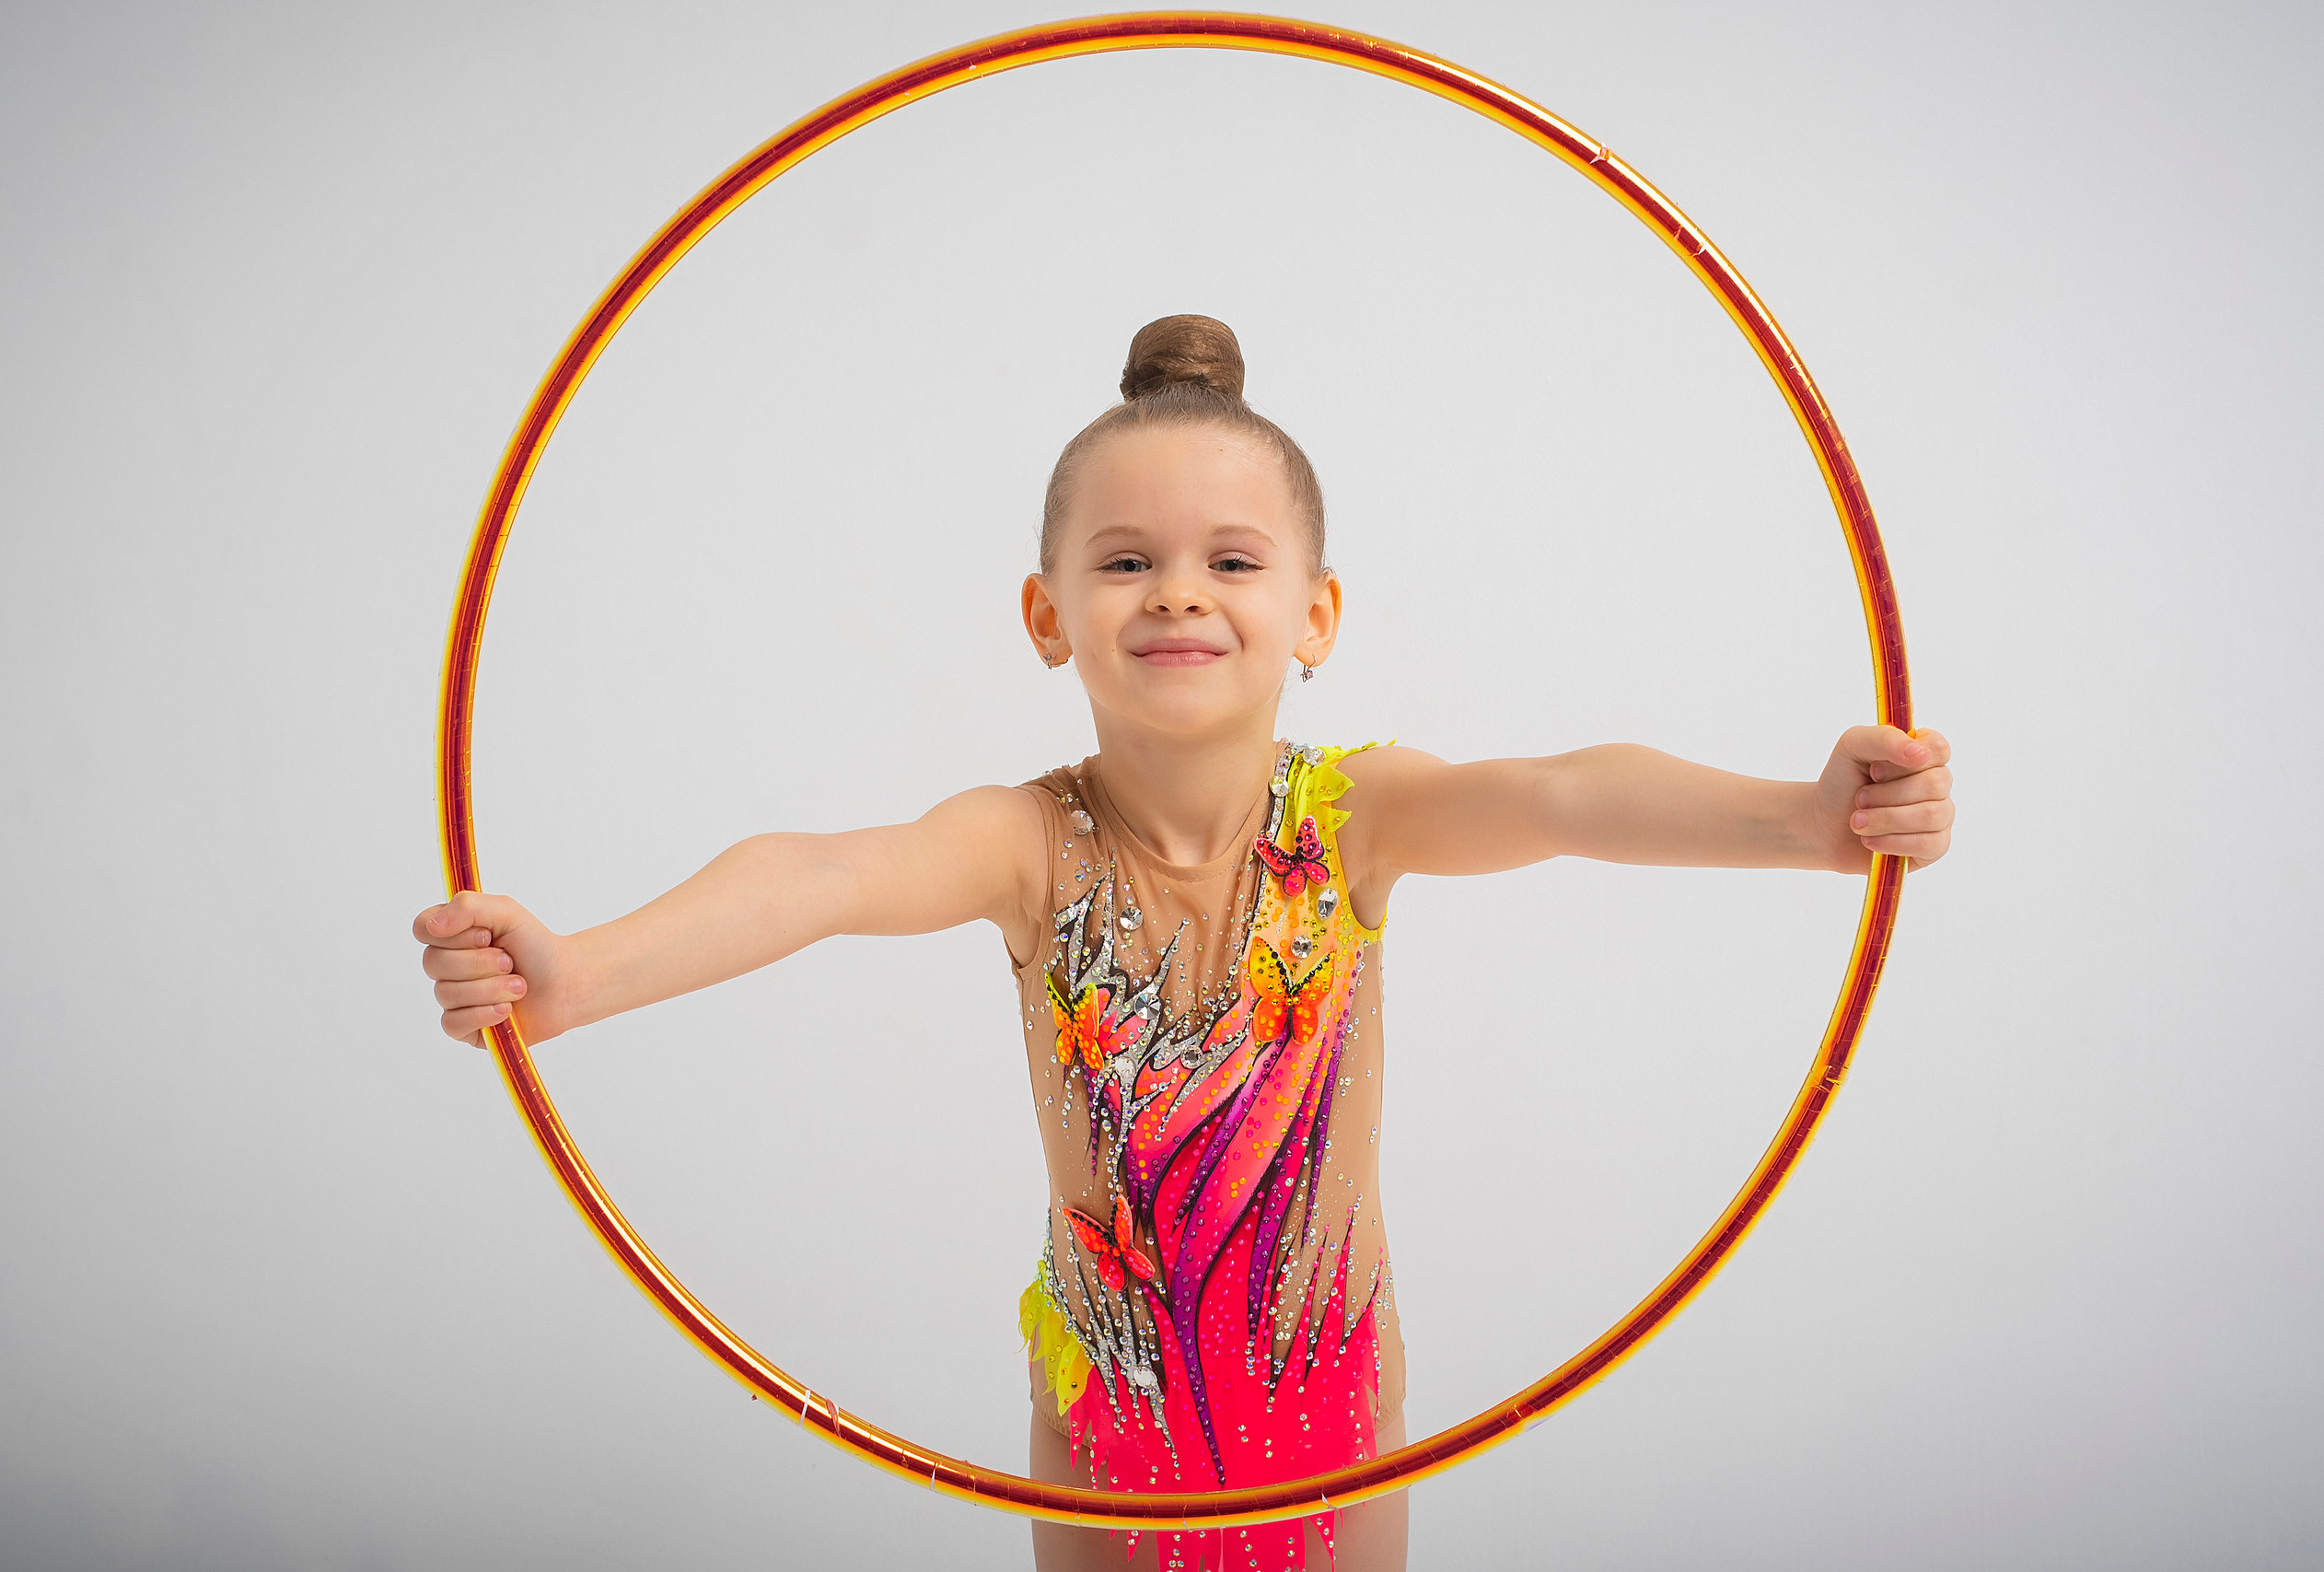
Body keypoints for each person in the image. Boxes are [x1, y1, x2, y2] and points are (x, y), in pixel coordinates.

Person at [413, 315, 1955, 1571]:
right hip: (1108, 1399)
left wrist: (1804, 821)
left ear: (1315, 613)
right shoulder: (1025, 845)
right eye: (1126, 560)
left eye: (1232, 560)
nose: (1179, 596)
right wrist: (584, 973)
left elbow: (1565, 792)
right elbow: (819, 874)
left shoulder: (1355, 817)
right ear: (1047, 612)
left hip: (1331, 1379)